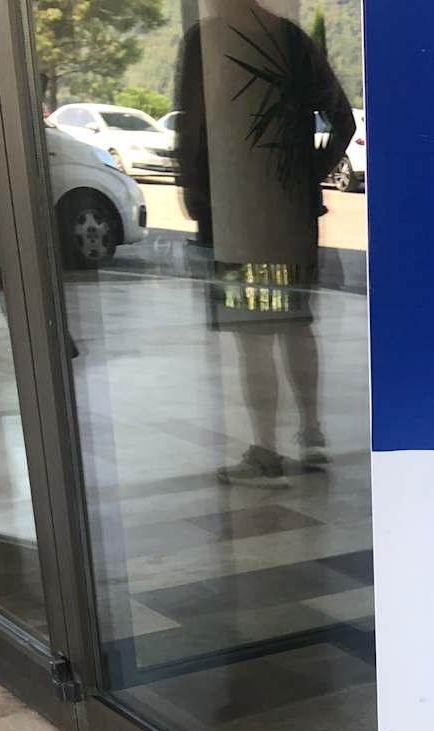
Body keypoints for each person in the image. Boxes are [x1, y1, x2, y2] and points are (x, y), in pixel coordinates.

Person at [175, 0, 355, 486]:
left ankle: (266, 448)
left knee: (252, 336)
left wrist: (195, 191)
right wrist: (305, 176)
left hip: (236, 214)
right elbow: (344, 122)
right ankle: (312, 433)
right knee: (296, 324)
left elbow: (191, 128)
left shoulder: (206, 41)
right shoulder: (292, 40)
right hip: (292, 216)